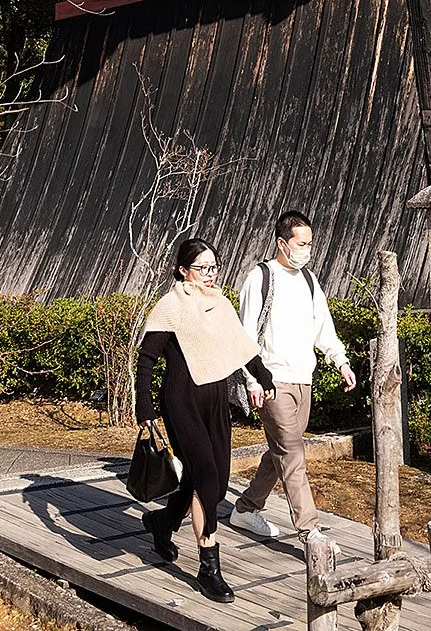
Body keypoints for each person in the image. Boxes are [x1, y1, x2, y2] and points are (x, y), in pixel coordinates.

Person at [135, 236, 275, 603]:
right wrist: (144, 408)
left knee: (212, 476)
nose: (210, 274)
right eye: (202, 268)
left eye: (214, 267)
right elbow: (146, 360)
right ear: (183, 270)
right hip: (180, 401)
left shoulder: (221, 303)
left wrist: (263, 375)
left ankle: (161, 523)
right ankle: (208, 566)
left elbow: (241, 346)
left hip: (215, 402)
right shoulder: (170, 307)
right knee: (208, 479)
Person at [232, 210, 356, 542]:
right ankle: (310, 531)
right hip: (272, 382)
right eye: (301, 243)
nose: (307, 249)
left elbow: (323, 328)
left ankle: (245, 508)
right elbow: (245, 336)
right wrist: (252, 379)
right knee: (292, 454)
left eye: (310, 243)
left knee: (281, 452)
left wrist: (340, 361)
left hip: (304, 380)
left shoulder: (309, 280)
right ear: (282, 243)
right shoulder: (259, 278)